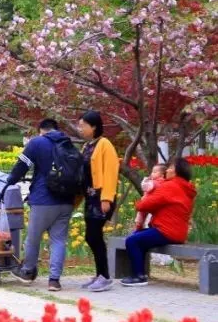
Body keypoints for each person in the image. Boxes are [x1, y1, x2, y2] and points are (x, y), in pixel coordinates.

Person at [1, 118, 77, 292]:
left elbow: (21, 166)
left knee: (33, 238)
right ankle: (54, 280)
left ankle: (27, 271)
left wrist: (10, 181)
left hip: (43, 199)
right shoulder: (68, 144)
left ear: (41, 130)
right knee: (58, 240)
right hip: (66, 200)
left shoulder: (37, 143)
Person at [121, 158, 197, 286]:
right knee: (137, 238)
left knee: (132, 241)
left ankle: (139, 276)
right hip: (177, 232)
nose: (167, 170)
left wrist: (140, 204)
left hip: (166, 231)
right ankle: (140, 273)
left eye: (170, 168)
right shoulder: (186, 188)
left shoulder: (170, 186)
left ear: (177, 172)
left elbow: (144, 205)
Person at [77, 110, 120, 293]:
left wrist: (107, 198)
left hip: (102, 197)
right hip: (90, 197)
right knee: (91, 236)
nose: (80, 129)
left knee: (94, 235)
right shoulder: (87, 146)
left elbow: (111, 172)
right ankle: (99, 274)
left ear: (94, 126)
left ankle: (105, 277)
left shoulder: (105, 145)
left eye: (83, 125)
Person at [134, 163, 166, 230]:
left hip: (147, 201)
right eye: (152, 172)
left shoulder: (154, 183)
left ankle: (138, 225)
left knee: (141, 214)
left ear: (162, 175)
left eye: (154, 172)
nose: (152, 173)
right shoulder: (164, 183)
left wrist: (145, 180)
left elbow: (145, 187)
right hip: (156, 204)